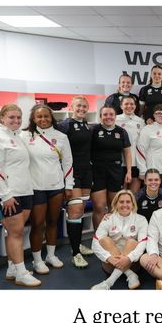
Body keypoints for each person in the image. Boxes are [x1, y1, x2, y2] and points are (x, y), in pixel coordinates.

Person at [0, 102, 39, 287]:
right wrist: (5, 195)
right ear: (2, 118)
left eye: (18, 117)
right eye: (11, 117)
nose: (15, 120)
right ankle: (21, 273)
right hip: (4, 194)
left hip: (23, 190)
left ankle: (12, 268)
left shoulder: (18, 135)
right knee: (15, 232)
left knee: (16, 232)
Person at [22, 103, 73, 274]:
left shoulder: (61, 136)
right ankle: (37, 260)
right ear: (33, 119)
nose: (43, 119)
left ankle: (51, 255)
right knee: (38, 224)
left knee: (53, 221)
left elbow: (68, 163)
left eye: (46, 116)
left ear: (51, 117)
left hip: (56, 186)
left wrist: (69, 185)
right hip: (35, 187)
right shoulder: (24, 136)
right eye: (39, 117)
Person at [58, 96, 93, 268]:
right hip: (72, 173)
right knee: (75, 209)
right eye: (78, 105)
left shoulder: (87, 124)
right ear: (72, 106)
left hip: (87, 172)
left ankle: (77, 244)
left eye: (84, 106)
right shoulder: (65, 125)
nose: (81, 108)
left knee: (80, 211)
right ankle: (75, 253)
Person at [91, 189, 148, 290]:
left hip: (132, 263)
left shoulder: (141, 219)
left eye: (128, 202)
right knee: (104, 240)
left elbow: (143, 244)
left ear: (133, 204)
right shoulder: (108, 219)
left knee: (132, 242)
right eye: (121, 202)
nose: (124, 205)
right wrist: (109, 258)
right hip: (111, 264)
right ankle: (130, 275)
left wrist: (129, 258)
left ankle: (108, 283)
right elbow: (95, 243)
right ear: (116, 204)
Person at [91, 104, 133, 229]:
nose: (108, 117)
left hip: (115, 171)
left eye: (111, 114)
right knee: (99, 206)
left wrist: (129, 171)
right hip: (97, 171)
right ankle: (98, 238)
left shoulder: (121, 131)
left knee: (114, 206)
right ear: (100, 117)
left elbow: (127, 152)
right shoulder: (94, 130)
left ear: (115, 116)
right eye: (105, 114)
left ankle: (113, 235)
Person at [136, 106, 162, 189]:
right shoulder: (147, 129)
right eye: (158, 113)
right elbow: (140, 150)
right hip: (153, 171)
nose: (161, 115)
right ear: (154, 115)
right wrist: (143, 170)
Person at [116, 95, 144, 193]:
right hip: (120, 163)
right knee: (120, 196)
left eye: (132, 104)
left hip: (136, 163)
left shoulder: (141, 121)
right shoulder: (115, 119)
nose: (129, 106)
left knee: (133, 196)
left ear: (135, 106)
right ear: (121, 106)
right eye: (126, 104)